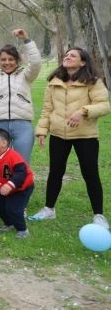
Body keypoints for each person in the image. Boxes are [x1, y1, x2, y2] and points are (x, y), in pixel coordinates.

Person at [31, 48, 111, 228]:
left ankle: (99, 215)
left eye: (72, 55)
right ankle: (49, 209)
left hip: (86, 136)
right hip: (59, 135)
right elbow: (47, 109)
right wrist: (42, 130)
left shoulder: (93, 81)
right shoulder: (54, 81)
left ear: (83, 62)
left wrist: (83, 111)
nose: (67, 57)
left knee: (90, 174)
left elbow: (105, 106)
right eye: (66, 55)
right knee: (55, 172)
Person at [0, 24, 41, 163]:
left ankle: (22, 185)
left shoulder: (26, 76)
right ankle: (0, 185)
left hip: (22, 125)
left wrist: (26, 40)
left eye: (11, 59)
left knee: (21, 162)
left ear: (17, 61)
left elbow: (35, 63)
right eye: (3, 59)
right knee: (0, 162)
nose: (7, 62)